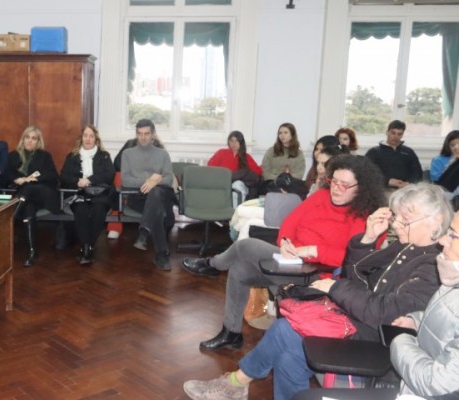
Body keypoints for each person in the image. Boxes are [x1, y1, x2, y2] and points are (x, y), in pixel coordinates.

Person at [183, 182, 449, 400]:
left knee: (285, 330)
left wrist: (335, 287)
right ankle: (237, 384)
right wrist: (367, 239)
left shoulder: (433, 264)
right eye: (397, 217)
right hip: (358, 321)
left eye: (406, 219)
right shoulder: (407, 246)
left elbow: (384, 312)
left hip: (378, 340)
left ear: (435, 220)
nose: (396, 224)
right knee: (288, 358)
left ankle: (236, 383)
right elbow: (354, 273)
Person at [182, 155, 385, 349]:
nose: (336, 189)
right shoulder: (321, 196)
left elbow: (356, 258)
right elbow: (290, 222)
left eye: (345, 185)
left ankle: (212, 264)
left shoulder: (366, 216)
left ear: (362, 188)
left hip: (319, 277)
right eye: (334, 181)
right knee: (239, 269)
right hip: (291, 263)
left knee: (246, 245)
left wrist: (313, 250)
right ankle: (231, 332)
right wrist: (285, 241)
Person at [388, 210, 459, 398]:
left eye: (453, 234)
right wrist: (417, 320)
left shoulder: (437, 267)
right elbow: (449, 321)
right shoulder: (453, 276)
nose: (442, 240)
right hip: (412, 385)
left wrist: (400, 341)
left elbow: (436, 383)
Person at [120, 119, 176, 271]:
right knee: (156, 207)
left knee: (156, 194)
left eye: (146, 134)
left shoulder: (162, 154)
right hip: (137, 197)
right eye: (139, 134)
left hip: (161, 195)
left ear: (152, 134)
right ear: (136, 134)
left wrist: (155, 183)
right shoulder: (127, 153)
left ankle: (144, 232)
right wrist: (150, 180)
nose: (143, 137)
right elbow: (126, 180)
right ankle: (161, 254)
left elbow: (169, 179)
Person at [4, 125, 59, 266]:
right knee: (28, 208)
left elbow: (54, 176)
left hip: (44, 193)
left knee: (28, 188)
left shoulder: (45, 156)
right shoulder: (14, 155)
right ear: (23, 139)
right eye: (27, 137)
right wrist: (17, 179)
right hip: (26, 197)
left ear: (38, 141)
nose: (30, 141)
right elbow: (6, 174)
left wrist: (34, 179)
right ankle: (33, 251)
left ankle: (8, 225)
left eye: (33, 138)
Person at [59, 125, 115, 264]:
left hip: (99, 194)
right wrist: (77, 182)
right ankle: (86, 247)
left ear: (96, 139)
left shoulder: (104, 156)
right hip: (78, 194)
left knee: (98, 210)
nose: (88, 139)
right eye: (85, 135)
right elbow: (63, 177)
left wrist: (90, 180)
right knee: (81, 210)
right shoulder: (72, 156)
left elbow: (109, 175)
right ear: (81, 138)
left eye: (91, 136)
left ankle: (88, 246)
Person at [207, 131, 262, 205]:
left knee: (239, 182)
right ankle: (230, 177)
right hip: (222, 181)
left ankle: (236, 212)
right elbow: (210, 167)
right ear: (228, 142)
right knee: (243, 173)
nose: (234, 144)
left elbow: (258, 172)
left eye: (237, 141)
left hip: (238, 184)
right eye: (231, 141)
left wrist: (242, 174)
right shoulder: (221, 153)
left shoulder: (246, 157)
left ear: (241, 143)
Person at [365, 120, 423, 190]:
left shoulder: (409, 152)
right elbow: (367, 173)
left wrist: (409, 183)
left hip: (406, 189)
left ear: (402, 135)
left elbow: (418, 173)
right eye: (393, 133)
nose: (396, 136)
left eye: (399, 134)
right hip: (383, 189)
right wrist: (388, 181)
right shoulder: (374, 152)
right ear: (387, 132)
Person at [430, 130, 459, 198]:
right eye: (453, 145)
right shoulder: (438, 159)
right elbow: (437, 180)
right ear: (448, 146)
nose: (456, 148)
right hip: (444, 190)